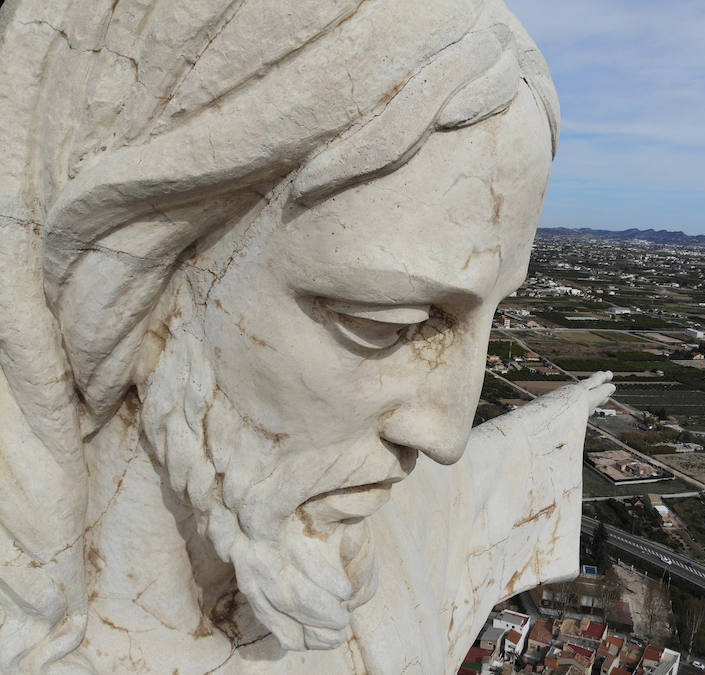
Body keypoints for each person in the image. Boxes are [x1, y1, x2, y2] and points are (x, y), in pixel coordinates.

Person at [0, 0, 614, 672]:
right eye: (386, 325)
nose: (447, 438)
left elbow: (470, 494)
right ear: (130, 277)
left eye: (492, 315)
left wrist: (559, 419)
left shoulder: (376, 556)